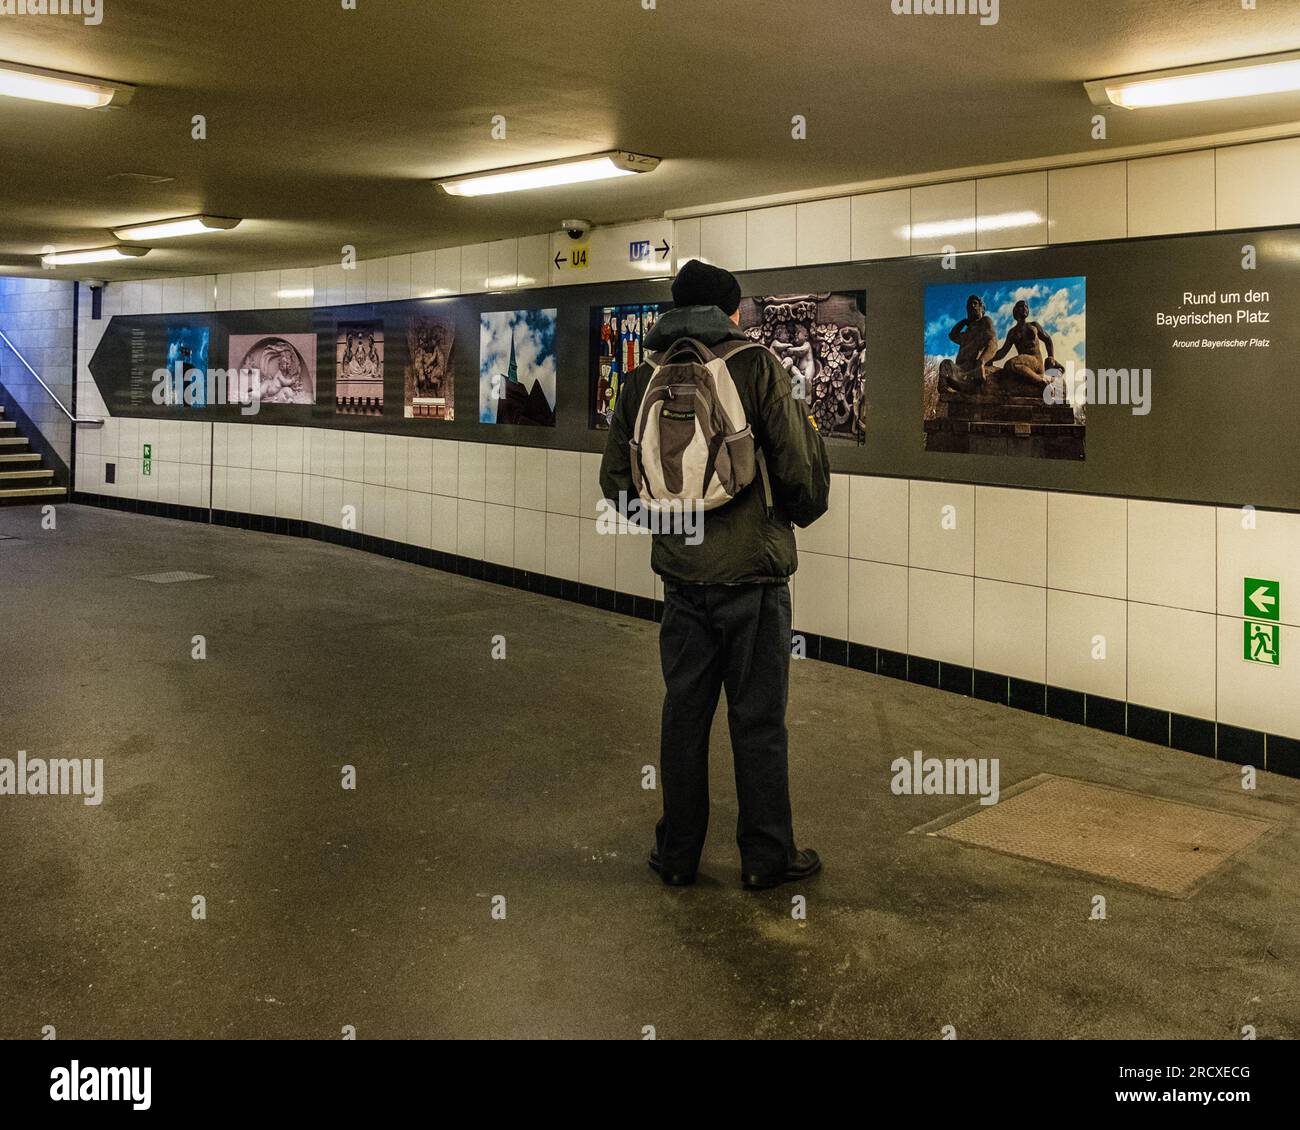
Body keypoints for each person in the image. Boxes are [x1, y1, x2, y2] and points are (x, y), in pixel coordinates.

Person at [599, 259, 831, 891]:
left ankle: (677, 854)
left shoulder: (638, 377)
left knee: (684, 715)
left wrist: (675, 525)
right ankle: (765, 857)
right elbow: (800, 478)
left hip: (682, 583)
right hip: (754, 580)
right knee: (757, 720)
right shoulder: (758, 366)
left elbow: (616, 489)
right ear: (732, 312)